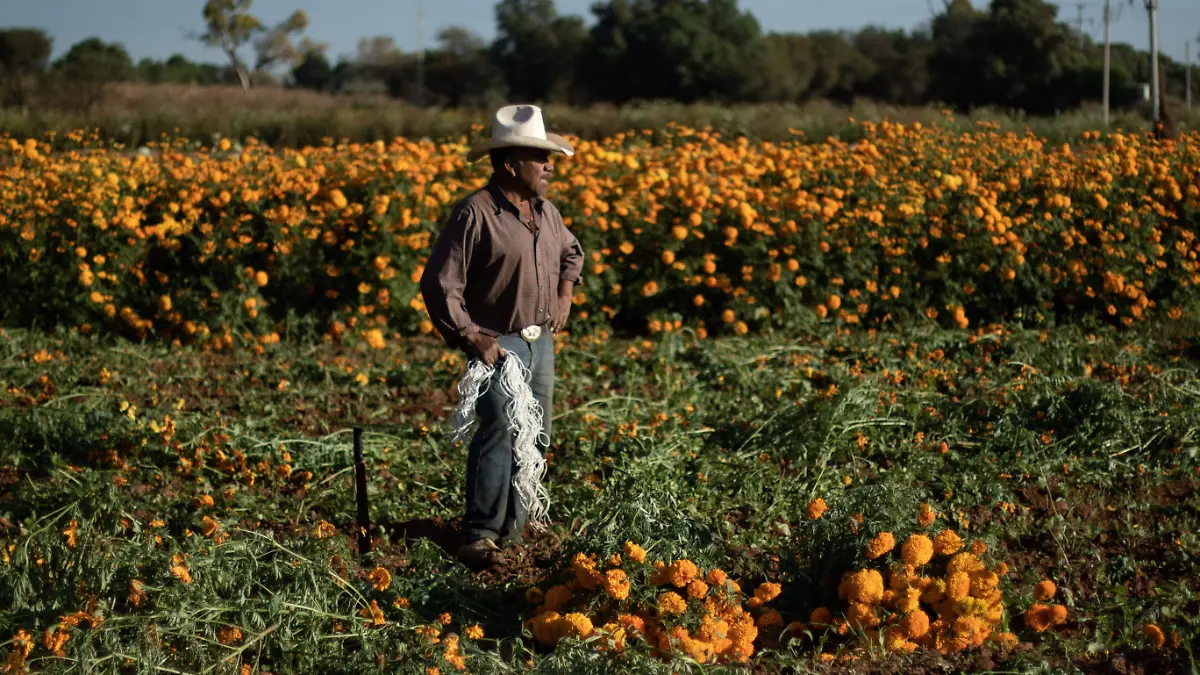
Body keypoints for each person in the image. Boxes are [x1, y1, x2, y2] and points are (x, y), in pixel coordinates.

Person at [419, 104, 584, 570]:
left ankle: (515, 530)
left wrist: (564, 294)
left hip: (540, 342)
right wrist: (471, 335)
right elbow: (439, 282)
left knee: (538, 435)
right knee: (500, 433)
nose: (550, 165)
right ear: (511, 163)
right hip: (498, 344)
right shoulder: (476, 213)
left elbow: (572, 254)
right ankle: (481, 534)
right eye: (539, 157)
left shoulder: (545, 213)